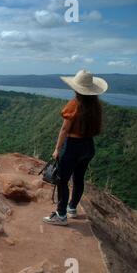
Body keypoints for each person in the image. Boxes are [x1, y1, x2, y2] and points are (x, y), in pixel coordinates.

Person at [43, 69, 107, 226]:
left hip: (72, 147)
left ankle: (61, 215)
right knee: (78, 179)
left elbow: (64, 129)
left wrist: (57, 149)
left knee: (62, 180)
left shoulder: (74, 104)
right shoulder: (95, 106)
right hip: (88, 146)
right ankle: (72, 208)